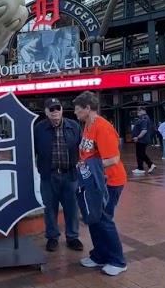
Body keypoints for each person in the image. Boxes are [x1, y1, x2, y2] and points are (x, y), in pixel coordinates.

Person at [73, 91, 128, 275]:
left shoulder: (102, 127)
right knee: (94, 219)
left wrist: (89, 165)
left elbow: (112, 159)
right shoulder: (88, 125)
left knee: (104, 220)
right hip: (95, 181)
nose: (75, 112)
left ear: (88, 109)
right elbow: (90, 154)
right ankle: (99, 256)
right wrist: (85, 163)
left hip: (110, 182)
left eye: (78, 109)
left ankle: (118, 261)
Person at [33, 99, 82, 252]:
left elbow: (83, 148)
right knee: (50, 208)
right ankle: (52, 237)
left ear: (62, 110)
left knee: (72, 208)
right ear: (46, 112)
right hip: (49, 176)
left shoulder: (73, 126)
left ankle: (72, 237)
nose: (55, 111)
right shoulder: (39, 128)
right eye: (51, 109)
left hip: (70, 175)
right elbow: (31, 150)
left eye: (57, 108)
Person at [130, 107, 155, 175]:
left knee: (140, 153)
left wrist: (138, 137)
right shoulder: (142, 118)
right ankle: (146, 166)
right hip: (142, 139)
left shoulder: (144, 119)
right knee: (140, 153)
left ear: (143, 110)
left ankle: (142, 167)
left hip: (142, 139)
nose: (138, 112)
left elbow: (144, 130)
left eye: (139, 110)